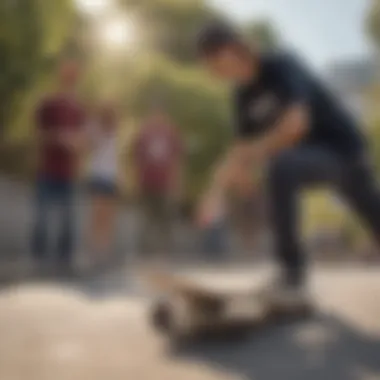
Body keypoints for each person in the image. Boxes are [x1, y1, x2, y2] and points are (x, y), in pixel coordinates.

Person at [195, 23, 380, 308]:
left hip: (345, 155)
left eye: (213, 63)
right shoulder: (241, 97)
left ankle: (291, 273)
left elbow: (297, 123)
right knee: (280, 167)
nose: (214, 74)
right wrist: (215, 193)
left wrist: (254, 154)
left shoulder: (281, 65)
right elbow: (238, 152)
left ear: (232, 50)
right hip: (308, 161)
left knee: (282, 165)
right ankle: (291, 274)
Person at [32, 58, 86, 277]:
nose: (70, 80)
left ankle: (65, 260)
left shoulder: (79, 108)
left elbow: (83, 139)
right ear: (60, 77)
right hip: (47, 169)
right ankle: (37, 259)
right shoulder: (48, 103)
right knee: (42, 216)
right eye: (67, 75)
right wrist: (59, 137)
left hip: (68, 173)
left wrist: (77, 143)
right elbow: (38, 134)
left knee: (68, 218)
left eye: (74, 77)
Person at [133, 105, 184, 260]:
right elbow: (137, 160)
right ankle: (146, 255)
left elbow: (177, 160)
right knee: (147, 219)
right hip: (147, 183)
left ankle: (164, 255)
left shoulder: (171, 134)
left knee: (165, 220)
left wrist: (178, 183)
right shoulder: (144, 134)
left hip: (165, 183)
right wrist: (135, 182)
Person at [86, 103, 120, 272]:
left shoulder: (115, 132)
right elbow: (88, 145)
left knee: (108, 218)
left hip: (111, 178)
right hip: (98, 176)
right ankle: (94, 254)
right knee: (97, 216)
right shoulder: (95, 129)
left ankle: (104, 254)